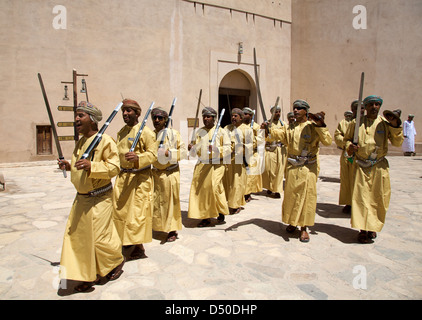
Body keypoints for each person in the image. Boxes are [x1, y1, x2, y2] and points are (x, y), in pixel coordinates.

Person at [58, 101, 124, 293]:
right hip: (81, 199)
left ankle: (116, 262)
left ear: (92, 120)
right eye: (76, 115)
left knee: (100, 239)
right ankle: (86, 274)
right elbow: (80, 165)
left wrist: (92, 166)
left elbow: (114, 168)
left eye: (81, 116)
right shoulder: (80, 142)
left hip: (100, 197)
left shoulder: (105, 141)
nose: (77, 119)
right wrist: (69, 166)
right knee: (80, 239)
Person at [265, 99, 332, 242]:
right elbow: (274, 135)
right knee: (291, 196)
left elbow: (327, 141)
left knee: (307, 198)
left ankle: (304, 228)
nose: (295, 110)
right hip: (292, 167)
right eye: (294, 108)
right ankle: (292, 222)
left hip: (308, 167)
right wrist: (267, 128)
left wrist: (321, 126)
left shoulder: (313, 126)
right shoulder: (290, 127)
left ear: (306, 111)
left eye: (299, 108)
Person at [344, 95, 403, 243]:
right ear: (366, 107)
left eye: (377, 104)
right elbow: (345, 140)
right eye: (371, 104)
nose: (374, 107)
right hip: (361, 166)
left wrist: (395, 126)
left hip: (378, 166)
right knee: (361, 199)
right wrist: (350, 146)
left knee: (378, 199)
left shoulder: (384, 124)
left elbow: (397, 142)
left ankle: (372, 227)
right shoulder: (357, 123)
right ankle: (363, 229)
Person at [112, 99, 157, 260]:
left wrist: (138, 157)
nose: (125, 113)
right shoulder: (121, 132)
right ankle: (132, 244)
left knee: (137, 214)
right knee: (121, 212)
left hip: (140, 178)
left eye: (129, 111)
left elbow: (153, 154)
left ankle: (134, 246)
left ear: (137, 113)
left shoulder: (146, 132)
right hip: (123, 177)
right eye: (123, 110)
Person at [188, 107, 231, 227]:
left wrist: (217, 149)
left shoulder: (222, 132)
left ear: (214, 118)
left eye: (208, 116)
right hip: (202, 165)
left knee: (213, 187)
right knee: (203, 191)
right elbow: (195, 151)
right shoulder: (199, 132)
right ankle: (206, 216)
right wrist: (192, 148)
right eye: (204, 116)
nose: (206, 119)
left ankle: (218, 211)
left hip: (217, 164)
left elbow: (228, 148)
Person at [151, 107, 186, 242]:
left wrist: (168, 153)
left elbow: (182, 152)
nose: (157, 120)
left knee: (171, 202)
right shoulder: (149, 135)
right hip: (155, 174)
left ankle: (172, 230)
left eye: (160, 118)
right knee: (156, 202)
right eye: (155, 118)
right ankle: (157, 225)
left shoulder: (174, 134)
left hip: (170, 173)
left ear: (165, 120)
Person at [223, 108, 254, 214]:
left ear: (241, 118)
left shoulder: (247, 129)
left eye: (236, 116)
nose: (233, 118)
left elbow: (251, 145)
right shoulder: (227, 128)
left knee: (237, 183)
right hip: (227, 160)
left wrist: (241, 148)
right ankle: (227, 202)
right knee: (228, 183)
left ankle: (235, 205)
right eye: (232, 116)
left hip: (239, 160)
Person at [334, 102, 358, 214]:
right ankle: (348, 202)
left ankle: (358, 204)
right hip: (347, 154)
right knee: (346, 179)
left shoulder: (365, 123)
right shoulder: (343, 123)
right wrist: (347, 144)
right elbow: (338, 136)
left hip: (360, 156)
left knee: (358, 180)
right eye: (355, 108)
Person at [261, 105, 286, 198]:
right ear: (272, 113)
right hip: (269, 149)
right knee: (268, 170)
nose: (278, 113)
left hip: (279, 150)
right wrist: (264, 129)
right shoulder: (267, 123)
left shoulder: (283, 124)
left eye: (279, 111)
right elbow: (262, 135)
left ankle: (277, 190)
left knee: (279, 171)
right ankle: (269, 187)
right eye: (276, 112)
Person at [242, 107, 264, 202]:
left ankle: (248, 193)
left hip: (252, 154)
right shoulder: (241, 126)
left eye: (246, 114)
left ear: (250, 115)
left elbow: (260, 139)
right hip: (242, 153)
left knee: (251, 176)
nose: (244, 116)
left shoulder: (256, 127)